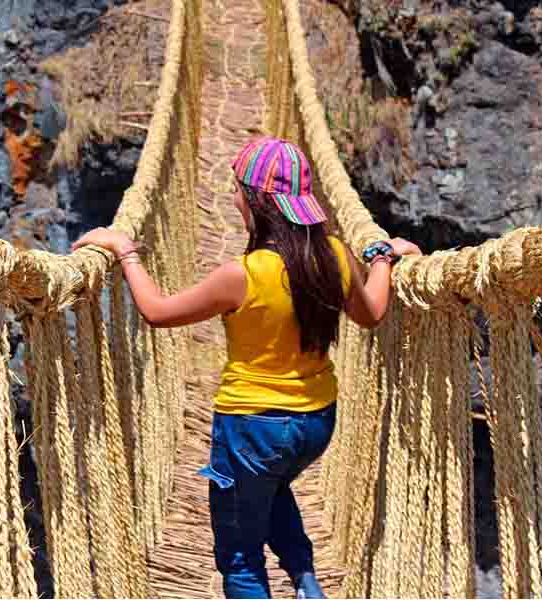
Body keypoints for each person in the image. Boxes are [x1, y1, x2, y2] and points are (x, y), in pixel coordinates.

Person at [72, 137, 421, 599]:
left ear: (255, 199)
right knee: (272, 486)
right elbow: (372, 312)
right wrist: (383, 257)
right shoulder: (333, 256)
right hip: (315, 424)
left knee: (240, 557)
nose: (233, 198)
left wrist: (125, 250)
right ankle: (306, 581)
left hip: (251, 428)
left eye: (237, 189)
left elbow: (156, 311)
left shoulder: (242, 274)